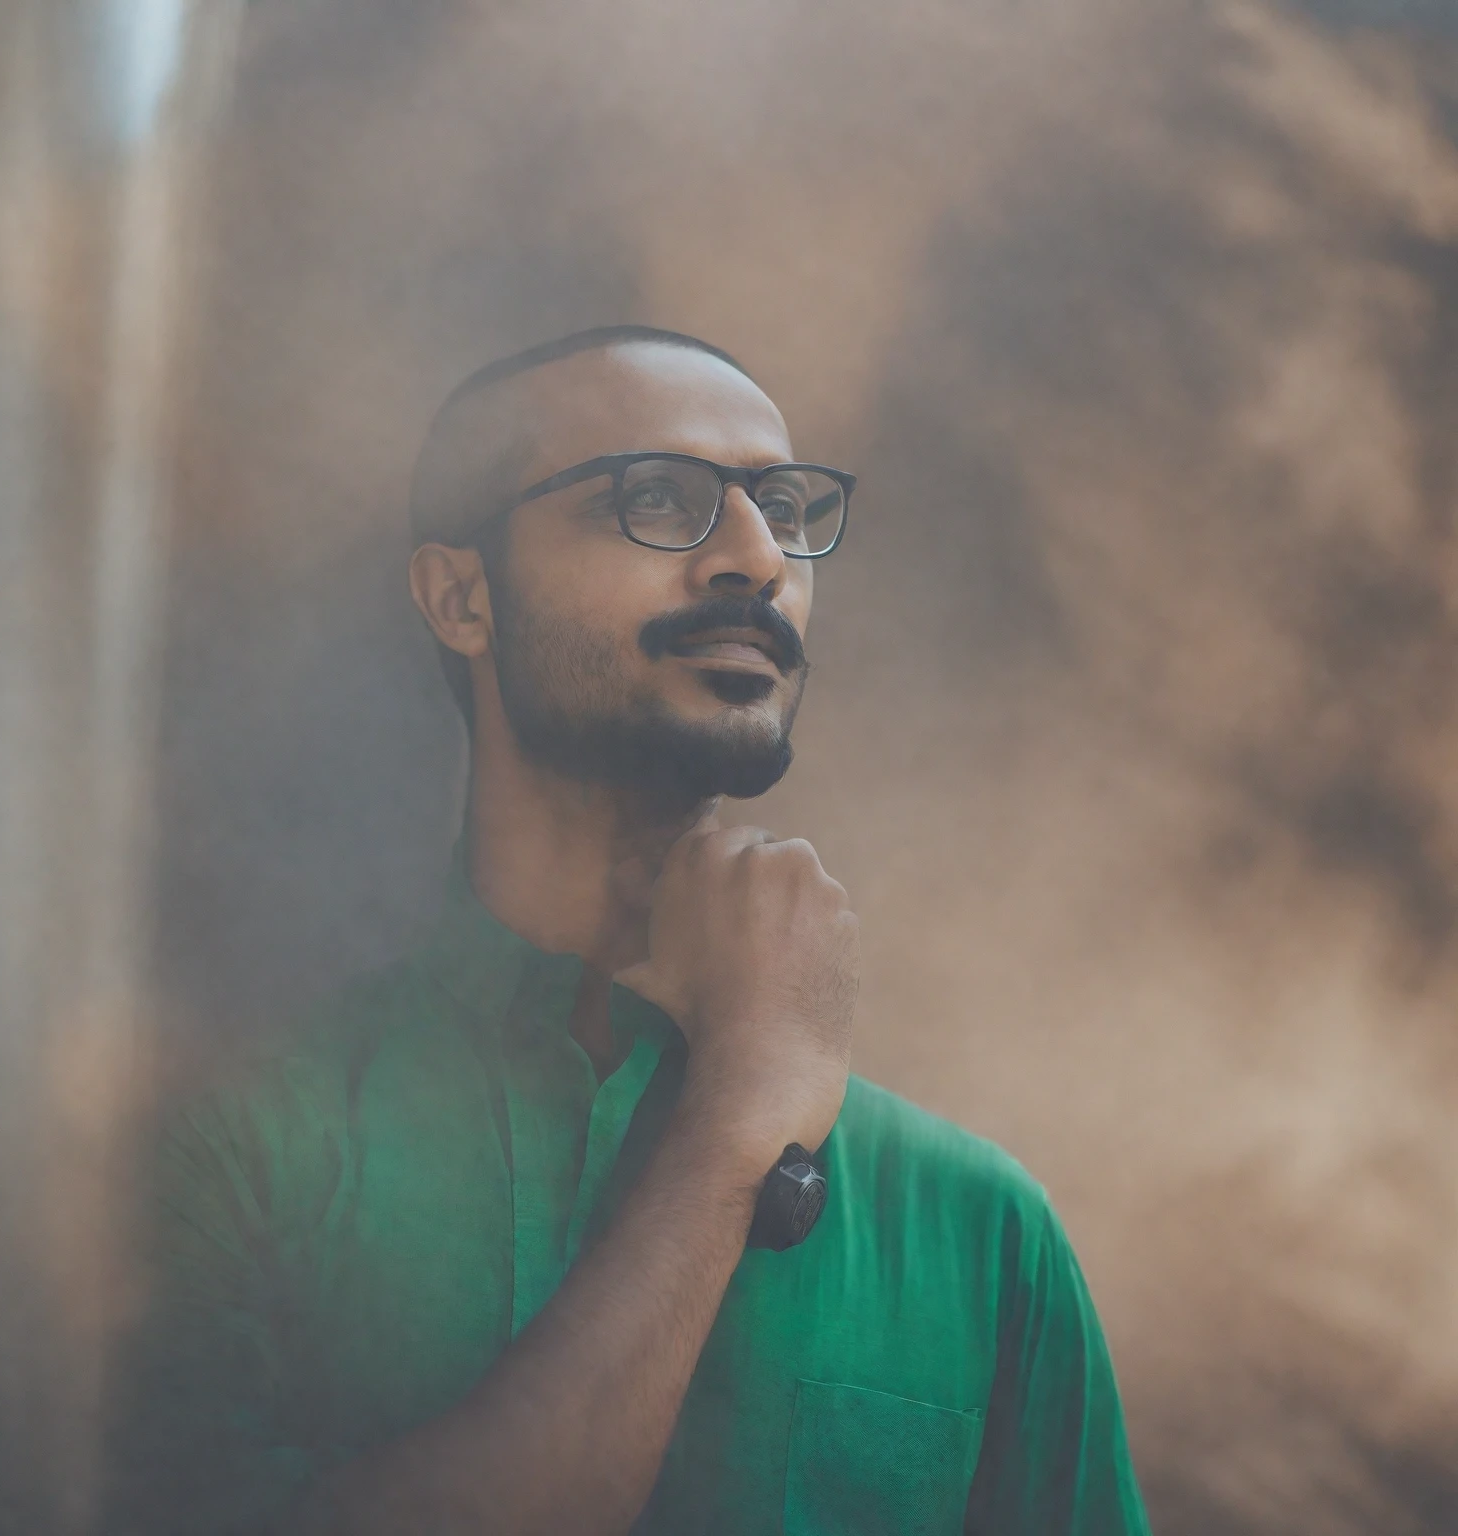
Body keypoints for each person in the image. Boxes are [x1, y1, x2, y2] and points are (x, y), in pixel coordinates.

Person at [102, 325, 1152, 1535]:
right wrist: (733, 1127)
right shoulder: (231, 1159)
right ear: (461, 594)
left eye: (784, 508)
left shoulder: (979, 1231)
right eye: (657, 501)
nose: (756, 560)